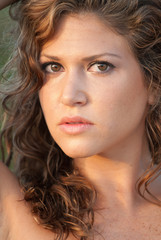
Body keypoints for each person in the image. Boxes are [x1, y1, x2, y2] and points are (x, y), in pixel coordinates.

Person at [0, 0, 161, 239]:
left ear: (153, 85)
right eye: (53, 67)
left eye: (100, 66)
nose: (69, 96)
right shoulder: (16, 212)